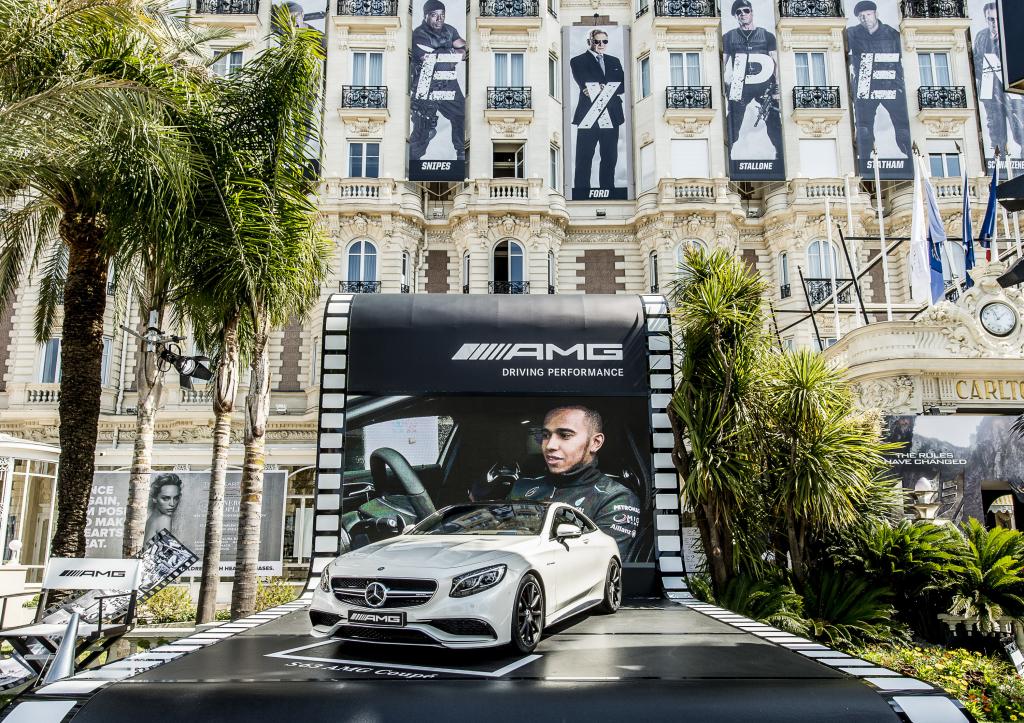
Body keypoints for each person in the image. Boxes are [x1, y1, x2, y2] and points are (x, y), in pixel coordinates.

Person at [508, 405, 641, 558]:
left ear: (595, 442)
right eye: (545, 435)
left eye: (565, 435)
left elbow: (600, 566)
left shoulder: (615, 498)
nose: (550, 445)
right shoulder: (522, 487)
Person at [846, 0, 911, 165]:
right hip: (866, 83)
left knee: (903, 124)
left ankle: (911, 156)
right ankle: (864, 160)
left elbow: (905, 59)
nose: (865, 18)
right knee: (863, 126)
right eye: (861, 16)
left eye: (868, 14)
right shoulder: (852, 33)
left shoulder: (892, 34)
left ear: (875, 14)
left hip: (890, 83)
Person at [722, 0, 782, 167]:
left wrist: (776, 87)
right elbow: (723, 62)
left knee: (773, 120)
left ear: (752, 12)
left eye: (745, 10)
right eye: (738, 12)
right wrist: (724, 86)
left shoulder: (766, 35)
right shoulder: (728, 37)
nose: (742, 14)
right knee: (732, 120)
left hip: (764, 83)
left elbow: (777, 63)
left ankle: (781, 156)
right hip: (740, 84)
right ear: (735, 16)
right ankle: (726, 157)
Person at [569, 29, 626, 199]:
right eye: (597, 41)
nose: (601, 45)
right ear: (590, 42)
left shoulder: (614, 61)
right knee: (584, 156)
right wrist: (607, 87)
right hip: (589, 114)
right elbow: (586, 85)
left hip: (612, 113)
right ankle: (581, 192)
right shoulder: (578, 60)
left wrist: (601, 87)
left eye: (605, 42)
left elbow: (623, 86)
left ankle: (608, 190)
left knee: (610, 156)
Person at [409, 0, 466, 165]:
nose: (439, 19)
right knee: (424, 129)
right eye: (434, 15)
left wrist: (443, 52)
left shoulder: (449, 30)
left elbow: (464, 48)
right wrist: (449, 53)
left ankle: (461, 155)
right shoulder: (419, 34)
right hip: (425, 81)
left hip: (447, 79)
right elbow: (432, 60)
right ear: (426, 15)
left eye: (442, 15)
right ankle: (411, 162)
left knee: (461, 116)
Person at [973, 2, 1024, 161]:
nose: (994, 24)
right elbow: (976, 59)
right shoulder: (981, 36)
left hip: (1012, 93)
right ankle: (998, 162)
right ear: (986, 19)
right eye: (990, 20)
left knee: (1020, 131)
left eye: (996, 19)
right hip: (990, 93)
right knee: (996, 134)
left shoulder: (1010, 36)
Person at [144, 473, 182, 543]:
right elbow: (165, 552)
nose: (172, 504)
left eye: (176, 498)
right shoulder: (164, 519)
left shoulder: (151, 520)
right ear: (154, 498)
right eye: (165, 498)